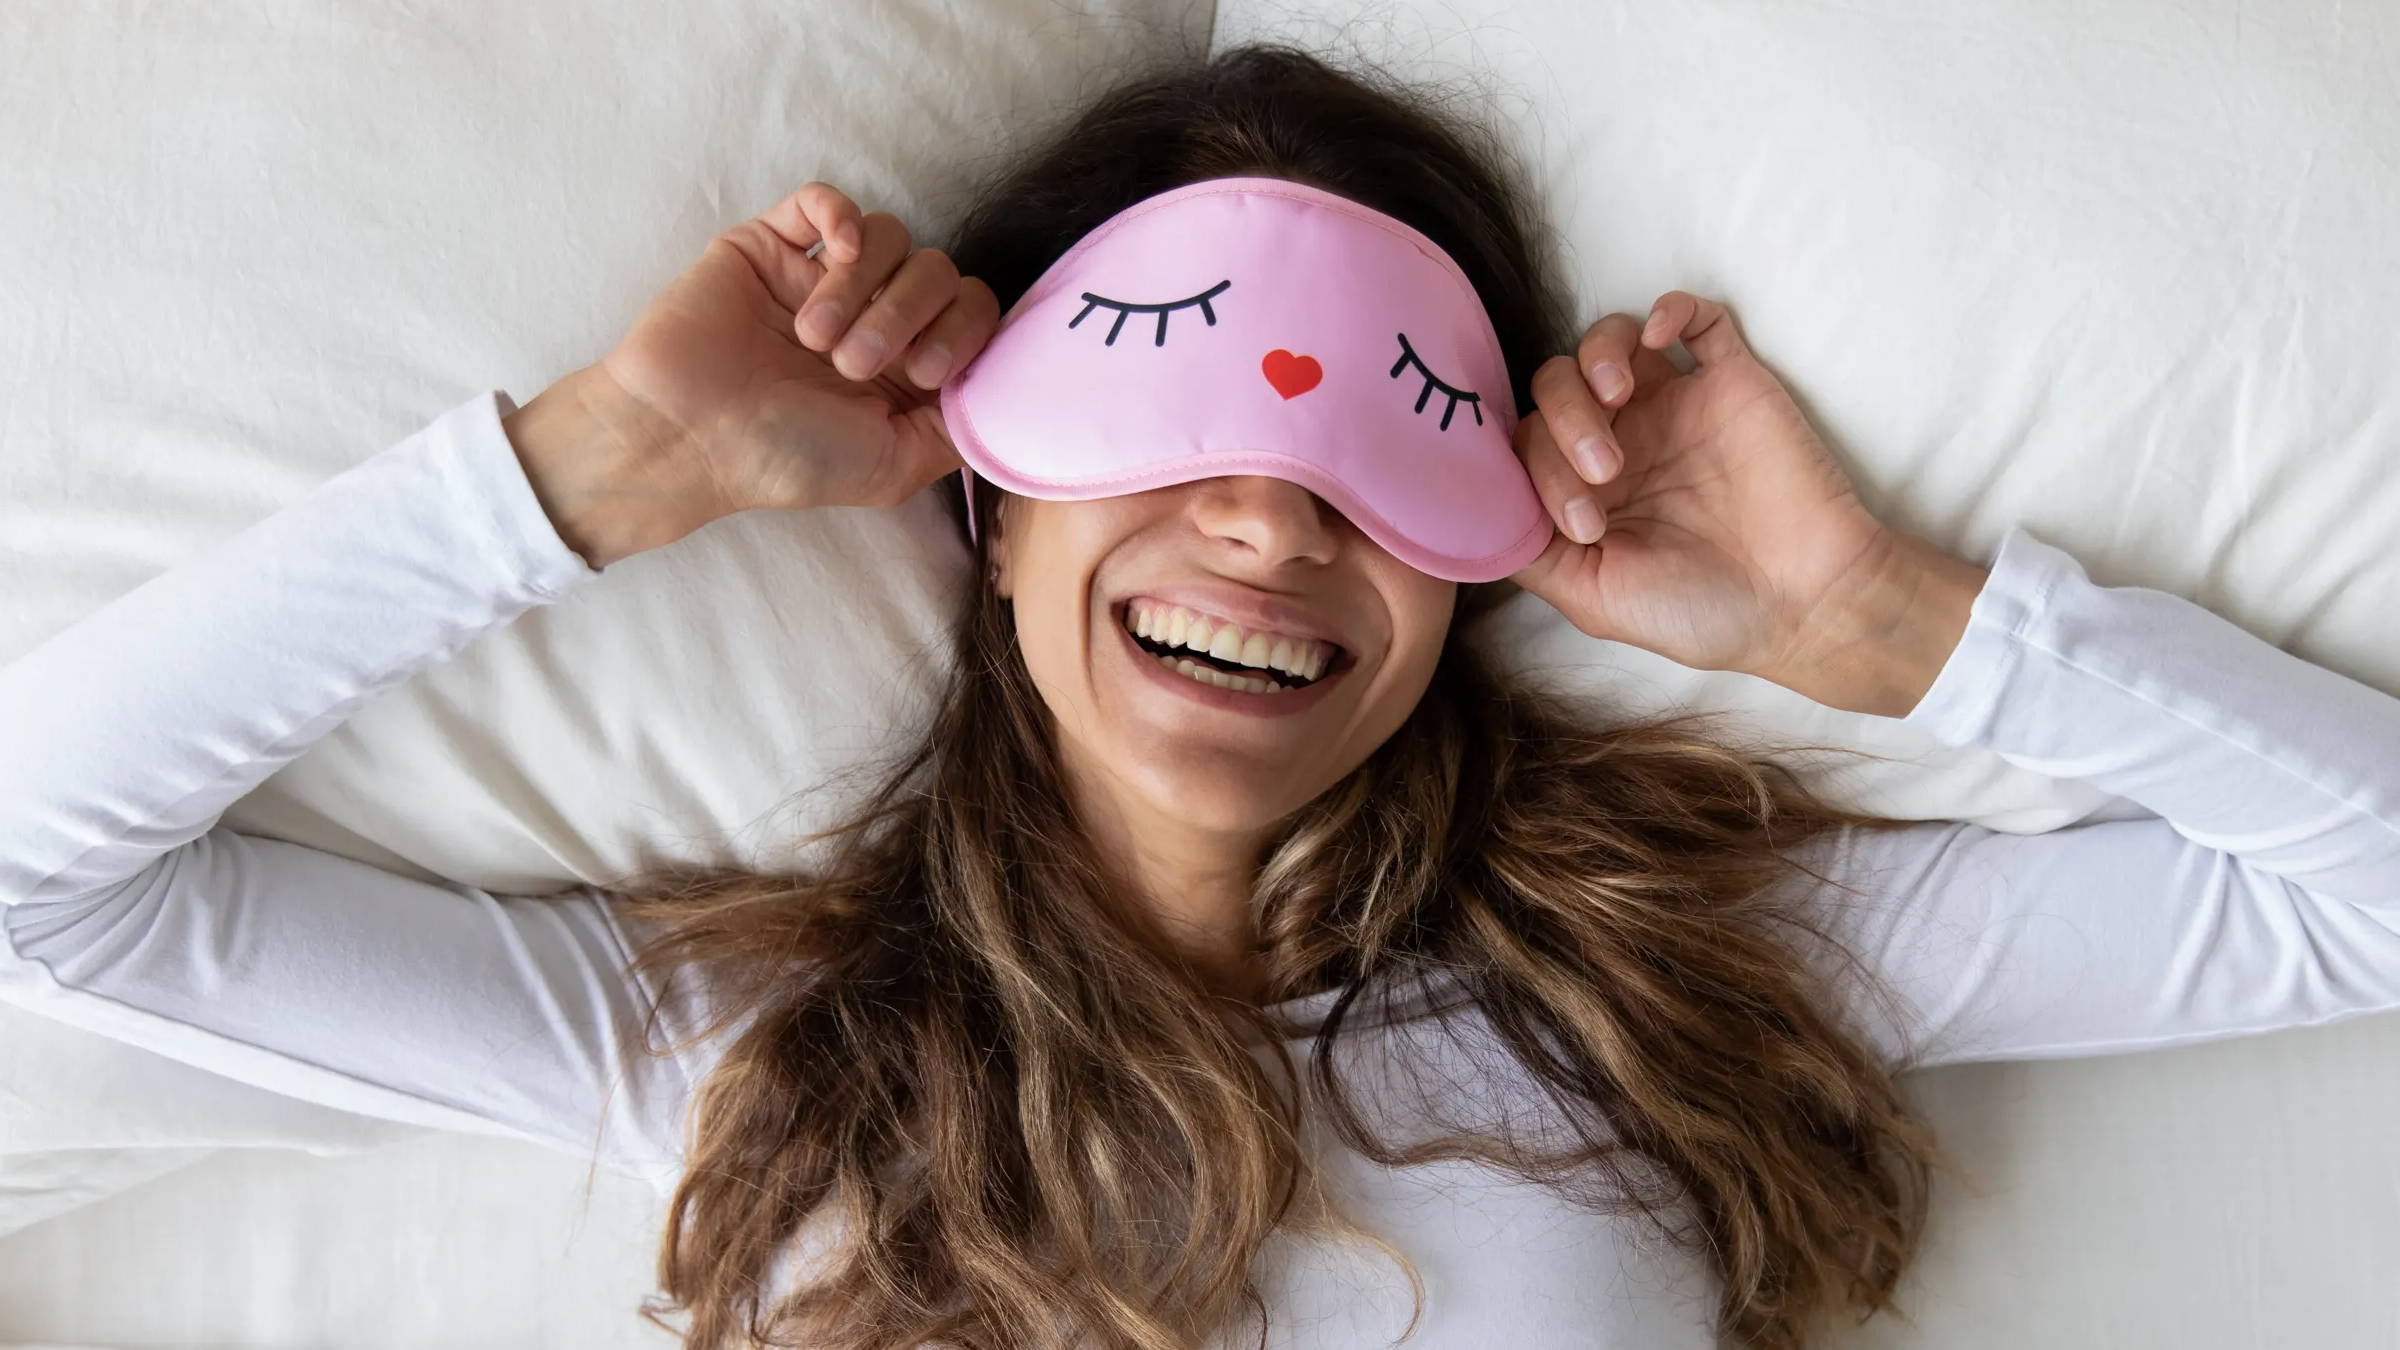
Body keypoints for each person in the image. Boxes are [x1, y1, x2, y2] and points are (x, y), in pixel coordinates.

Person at [6, 40, 2400, 1350]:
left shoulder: (1672, 982)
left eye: (1374, 461)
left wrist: (1885, 624)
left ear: (1473, 577)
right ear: (998, 509)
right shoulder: (770, 1066)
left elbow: (2365, 904)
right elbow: (42, 878)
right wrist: (600, 470)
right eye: (1167, 429)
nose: (1268, 527)